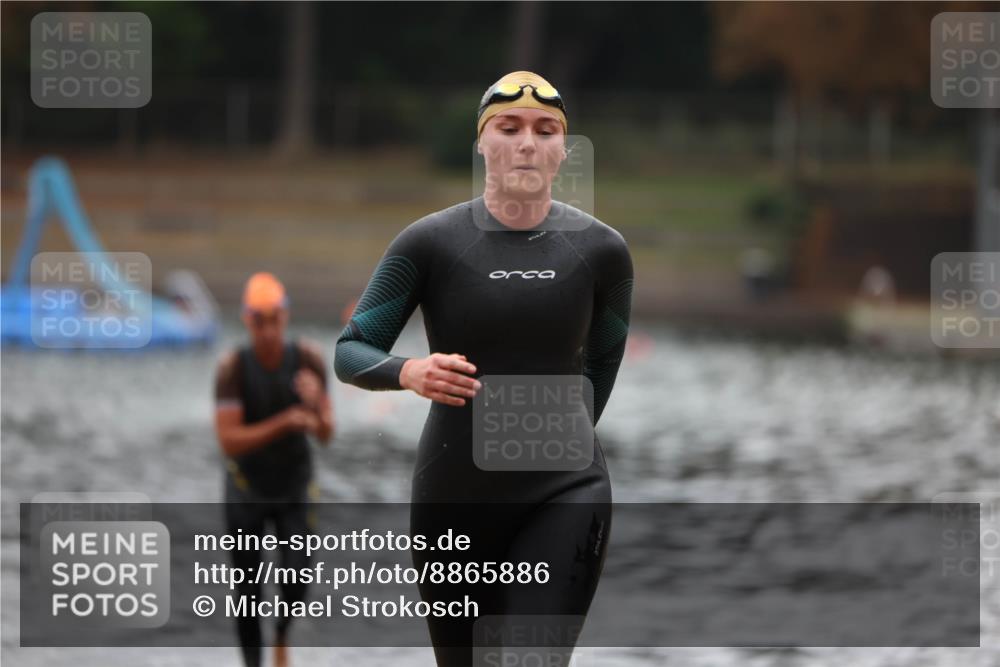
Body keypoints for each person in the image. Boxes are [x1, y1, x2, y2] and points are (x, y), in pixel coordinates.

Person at [335, 70, 633, 666]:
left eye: (545, 130)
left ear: (562, 151)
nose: (528, 142)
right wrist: (408, 372)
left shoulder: (602, 252)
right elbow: (351, 349)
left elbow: (602, 363)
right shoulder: (429, 244)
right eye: (510, 127)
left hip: (565, 490)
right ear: (482, 142)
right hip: (455, 495)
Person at [214, 272, 334, 667]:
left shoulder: (308, 359)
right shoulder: (233, 368)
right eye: (258, 321)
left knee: (299, 575)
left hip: (294, 487)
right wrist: (285, 422)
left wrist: (316, 406)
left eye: (274, 319)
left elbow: (326, 433)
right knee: (247, 586)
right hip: (246, 488)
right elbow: (229, 439)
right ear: (247, 321)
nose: (267, 330)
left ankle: (282, 634)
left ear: (285, 317)